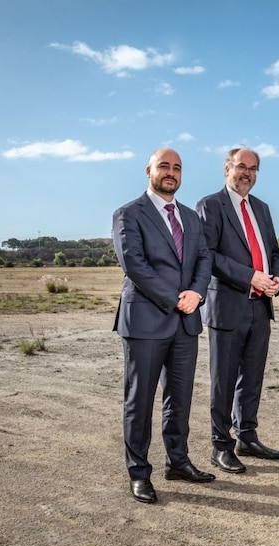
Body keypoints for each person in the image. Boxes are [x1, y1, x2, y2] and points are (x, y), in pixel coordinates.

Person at [112, 148, 215, 504]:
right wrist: (175, 298)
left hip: (186, 321)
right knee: (139, 400)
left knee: (180, 398)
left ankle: (178, 461)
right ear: (149, 171)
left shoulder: (190, 216)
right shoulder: (129, 214)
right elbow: (135, 265)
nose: (170, 172)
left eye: (176, 168)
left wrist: (197, 294)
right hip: (145, 320)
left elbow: (204, 258)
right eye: (164, 166)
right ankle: (138, 471)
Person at [196, 147, 279, 472]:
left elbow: (274, 252)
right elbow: (208, 255)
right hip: (228, 306)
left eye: (252, 168)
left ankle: (247, 436)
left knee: (253, 377)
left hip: (261, 306)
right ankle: (221, 446)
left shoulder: (261, 207)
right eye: (240, 166)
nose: (246, 173)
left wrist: (277, 277)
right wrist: (251, 276)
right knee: (224, 380)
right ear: (227, 169)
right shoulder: (210, 205)